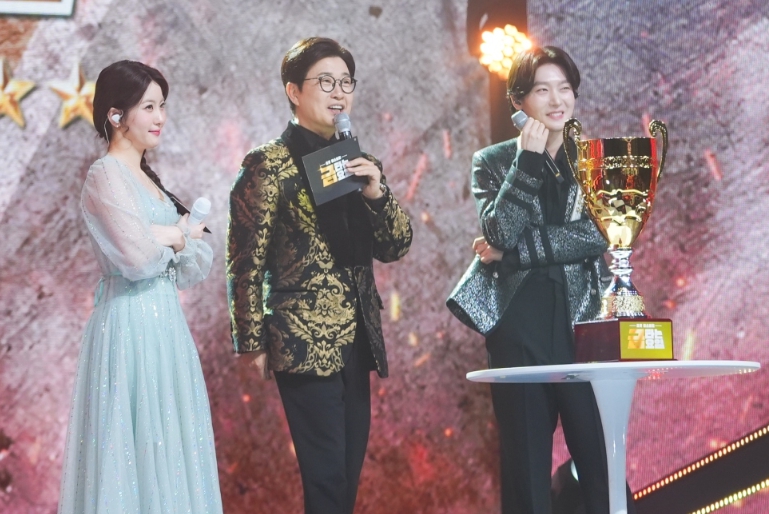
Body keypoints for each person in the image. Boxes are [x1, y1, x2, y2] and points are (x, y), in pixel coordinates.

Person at [226, 37, 412, 514]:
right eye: (325, 82)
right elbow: (244, 261)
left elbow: (395, 246)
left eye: (346, 83)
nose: (338, 93)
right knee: (326, 478)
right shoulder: (268, 164)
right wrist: (251, 342)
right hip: (303, 340)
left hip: (358, 336)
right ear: (294, 91)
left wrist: (377, 194)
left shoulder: (360, 162)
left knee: (347, 473)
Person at [447, 46, 635, 513]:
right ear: (518, 101)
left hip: (583, 324)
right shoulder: (492, 161)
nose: (557, 100)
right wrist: (527, 162)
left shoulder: (594, 159)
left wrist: (514, 255)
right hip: (518, 329)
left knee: (601, 462)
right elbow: (498, 231)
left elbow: (600, 233)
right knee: (526, 470)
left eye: (565, 89)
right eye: (542, 90)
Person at [58, 60, 222, 514]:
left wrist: (173, 236)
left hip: (165, 326)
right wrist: (177, 235)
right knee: (132, 447)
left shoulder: (152, 183)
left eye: (162, 106)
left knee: (170, 447)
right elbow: (135, 258)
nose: (160, 117)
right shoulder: (105, 174)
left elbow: (191, 265)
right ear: (116, 115)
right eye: (148, 107)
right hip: (129, 326)